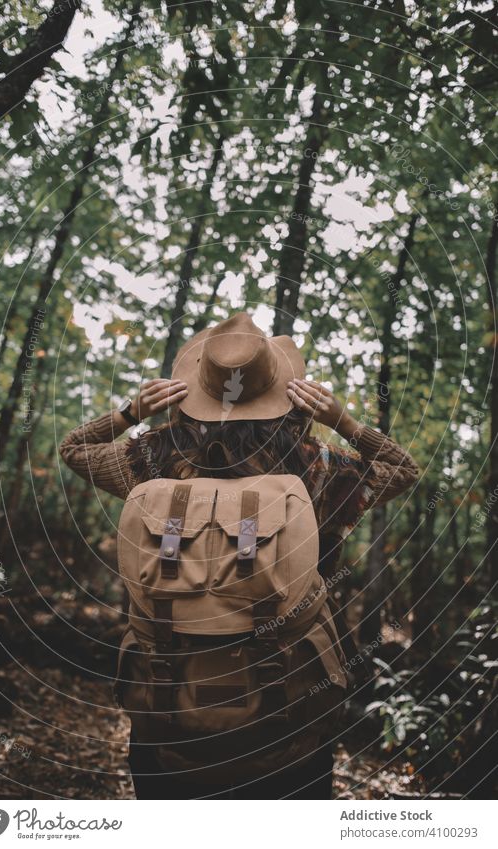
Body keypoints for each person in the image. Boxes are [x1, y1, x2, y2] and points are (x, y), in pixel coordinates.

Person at [59, 312, 419, 799]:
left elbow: (74, 448)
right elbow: (401, 469)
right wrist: (344, 421)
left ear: (196, 390)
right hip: (289, 720)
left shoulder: (151, 458)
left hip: (167, 720)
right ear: (284, 393)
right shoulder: (316, 467)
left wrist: (129, 412)